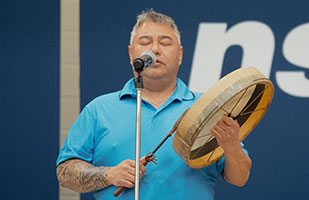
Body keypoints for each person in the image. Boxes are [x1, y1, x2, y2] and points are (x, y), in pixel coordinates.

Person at [56, 9, 251, 200]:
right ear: (131, 54)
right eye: (145, 42)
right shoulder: (98, 109)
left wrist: (231, 145)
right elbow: (65, 172)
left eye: (165, 43)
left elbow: (240, 178)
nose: (155, 49)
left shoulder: (208, 108)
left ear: (180, 54)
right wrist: (109, 174)